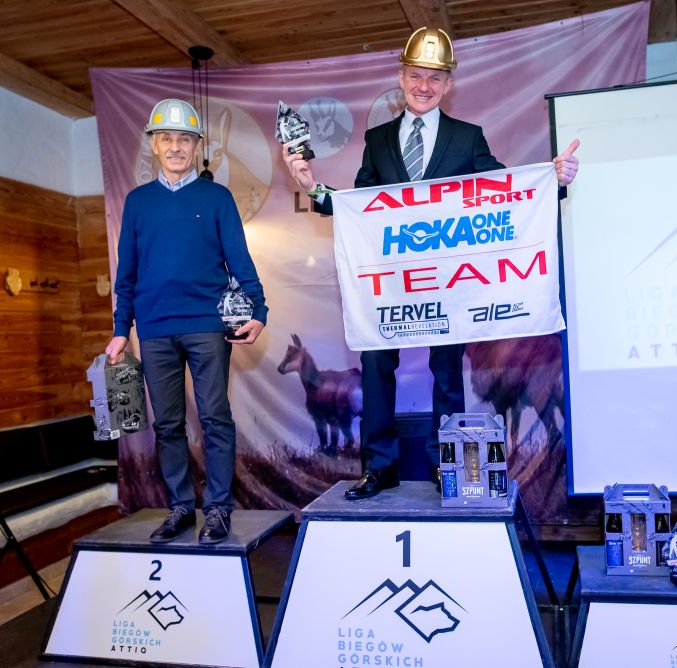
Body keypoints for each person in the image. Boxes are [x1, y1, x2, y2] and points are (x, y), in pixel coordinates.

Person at [283, 28, 579, 500]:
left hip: (448, 284)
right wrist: (312, 187)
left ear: (448, 85)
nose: (424, 86)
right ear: (402, 77)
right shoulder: (378, 140)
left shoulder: (467, 137)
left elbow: (506, 193)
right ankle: (379, 468)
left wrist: (552, 181)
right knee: (375, 364)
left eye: (435, 78)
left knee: (447, 373)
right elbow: (360, 208)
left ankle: (447, 465)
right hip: (391, 282)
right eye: (416, 75)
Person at [106, 99, 268, 543]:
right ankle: (180, 506)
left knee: (216, 418)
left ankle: (217, 509)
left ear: (197, 146)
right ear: (154, 145)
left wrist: (259, 309)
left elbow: (239, 259)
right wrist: (121, 329)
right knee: (167, 425)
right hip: (154, 329)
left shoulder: (217, 198)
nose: (176, 147)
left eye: (184, 139)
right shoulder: (137, 202)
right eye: (167, 139)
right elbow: (127, 272)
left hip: (207, 326)